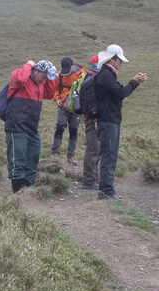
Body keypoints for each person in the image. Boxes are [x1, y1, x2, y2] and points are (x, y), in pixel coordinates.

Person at [94, 44, 147, 200]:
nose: (121, 64)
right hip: (108, 121)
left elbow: (117, 93)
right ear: (113, 59)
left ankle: (106, 190)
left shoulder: (107, 74)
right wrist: (134, 82)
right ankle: (107, 192)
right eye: (120, 61)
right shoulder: (106, 75)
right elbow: (121, 93)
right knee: (109, 156)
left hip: (110, 121)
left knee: (109, 155)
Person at [5, 59, 57, 193]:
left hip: (32, 128)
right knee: (18, 159)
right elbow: (22, 78)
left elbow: (50, 94)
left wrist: (50, 77)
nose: (44, 80)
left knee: (33, 157)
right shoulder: (19, 78)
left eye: (47, 78)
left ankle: (29, 189)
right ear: (35, 71)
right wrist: (29, 64)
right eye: (43, 76)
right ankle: (18, 193)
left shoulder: (41, 84)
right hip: (16, 127)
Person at [51, 57, 85, 165]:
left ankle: (71, 155)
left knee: (73, 130)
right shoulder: (59, 75)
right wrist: (57, 99)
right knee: (60, 127)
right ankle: (55, 152)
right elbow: (55, 89)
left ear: (72, 65)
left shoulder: (80, 74)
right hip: (63, 107)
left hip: (76, 107)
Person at [82, 55, 100, 189]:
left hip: (90, 118)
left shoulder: (89, 78)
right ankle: (89, 180)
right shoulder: (93, 79)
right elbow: (92, 101)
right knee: (93, 149)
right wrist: (95, 118)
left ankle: (94, 178)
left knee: (95, 149)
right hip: (92, 119)